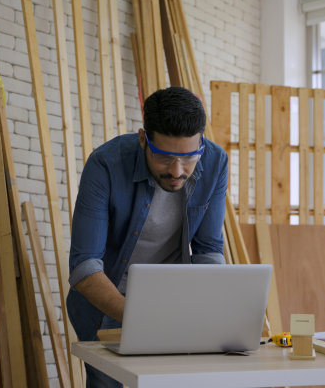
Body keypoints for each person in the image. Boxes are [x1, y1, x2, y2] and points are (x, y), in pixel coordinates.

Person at [66, 86, 228, 387]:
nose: (178, 171)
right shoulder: (106, 164)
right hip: (108, 302)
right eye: (165, 158)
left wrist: (214, 306)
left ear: (201, 145)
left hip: (173, 305)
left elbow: (208, 249)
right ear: (144, 139)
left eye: (190, 158)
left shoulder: (216, 161)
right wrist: (142, 316)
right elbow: (84, 265)